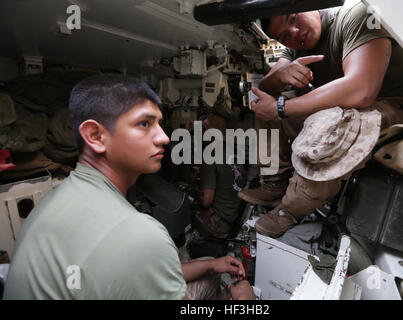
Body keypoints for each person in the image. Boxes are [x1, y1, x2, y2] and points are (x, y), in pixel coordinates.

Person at [4, 74, 254, 300]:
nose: (164, 137)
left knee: (209, 266)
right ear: (95, 136)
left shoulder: (52, 200)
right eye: (144, 124)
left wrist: (211, 265)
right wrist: (244, 303)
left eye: (159, 123)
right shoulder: (142, 233)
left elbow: (144, 266)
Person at [238, 1, 403, 237]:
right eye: (283, 36)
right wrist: (281, 75)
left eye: (293, 18)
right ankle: (274, 181)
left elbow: (362, 89)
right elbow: (267, 88)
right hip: (341, 108)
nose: (294, 33)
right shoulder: (293, 48)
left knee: (332, 120)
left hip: (391, 107)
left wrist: (282, 108)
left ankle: (290, 211)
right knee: (264, 105)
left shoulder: (357, 14)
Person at [197, 114, 243, 239]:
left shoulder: (210, 155)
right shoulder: (235, 151)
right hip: (233, 218)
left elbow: (206, 201)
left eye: (202, 129)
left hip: (218, 223)